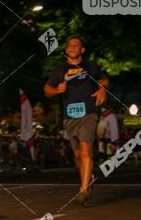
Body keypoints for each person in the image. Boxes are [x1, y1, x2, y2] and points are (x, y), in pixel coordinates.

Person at [44, 36, 108, 204]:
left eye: (76, 45)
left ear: (82, 50)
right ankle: (89, 177)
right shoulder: (59, 70)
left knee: (86, 151)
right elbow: (47, 89)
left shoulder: (91, 67)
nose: (72, 47)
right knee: (78, 155)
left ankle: (84, 189)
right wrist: (57, 90)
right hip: (70, 115)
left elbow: (104, 80)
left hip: (89, 113)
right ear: (66, 50)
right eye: (70, 45)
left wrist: (102, 89)